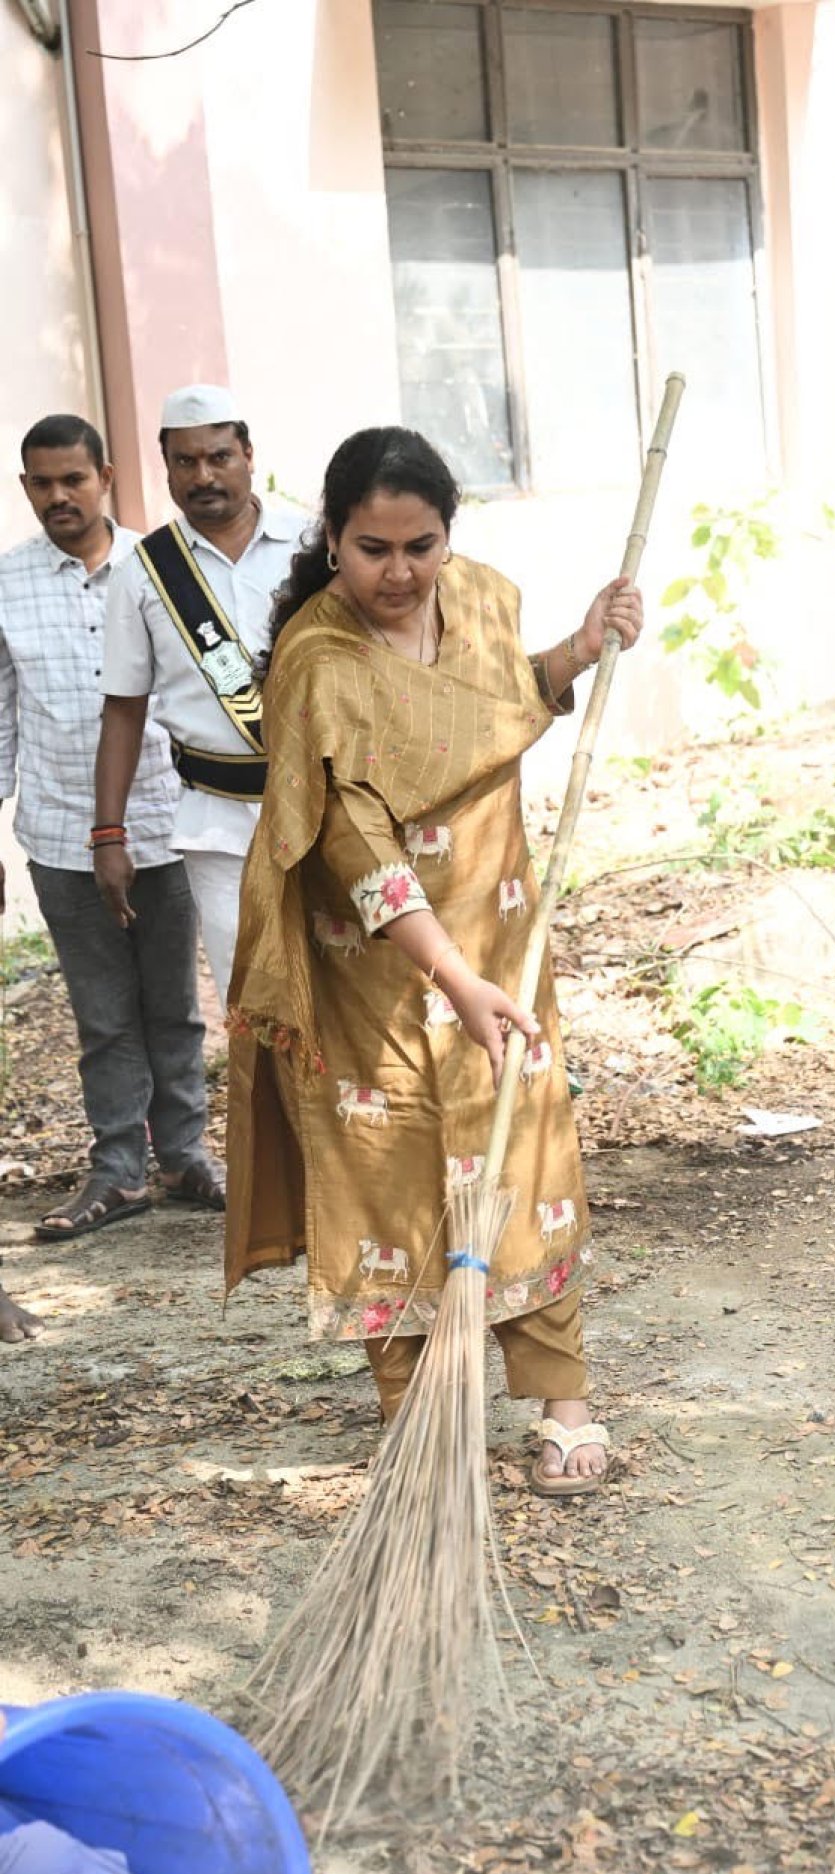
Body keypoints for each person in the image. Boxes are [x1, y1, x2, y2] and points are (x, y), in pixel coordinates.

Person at [224, 427, 643, 1496]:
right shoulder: (316, 663)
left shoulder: (488, 601)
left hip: (502, 927)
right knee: (391, 1168)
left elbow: (508, 707)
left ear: (450, 537)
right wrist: (452, 978)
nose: (399, 573)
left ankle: (564, 1398)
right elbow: (354, 846)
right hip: (379, 968)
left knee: (528, 1155)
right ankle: (421, 1416)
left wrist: (581, 648)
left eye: (421, 545)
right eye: (372, 548)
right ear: (330, 537)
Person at [0, 414, 224, 1241]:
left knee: (174, 1003)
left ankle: (186, 1153)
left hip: (168, 822)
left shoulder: (163, 567)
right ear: (27, 489)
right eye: (42, 483)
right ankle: (119, 1169)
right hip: (59, 832)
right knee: (102, 1012)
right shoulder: (7, 582)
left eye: (74, 479)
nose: (60, 496)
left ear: (107, 476)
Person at [95, 385, 307, 1006]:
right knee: (252, 999)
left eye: (219, 457)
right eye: (185, 462)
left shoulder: (315, 545)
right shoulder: (143, 571)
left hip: (324, 805)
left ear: (248, 453)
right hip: (217, 824)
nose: (203, 475)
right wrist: (108, 834)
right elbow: (124, 708)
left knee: (343, 987)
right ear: (165, 468)